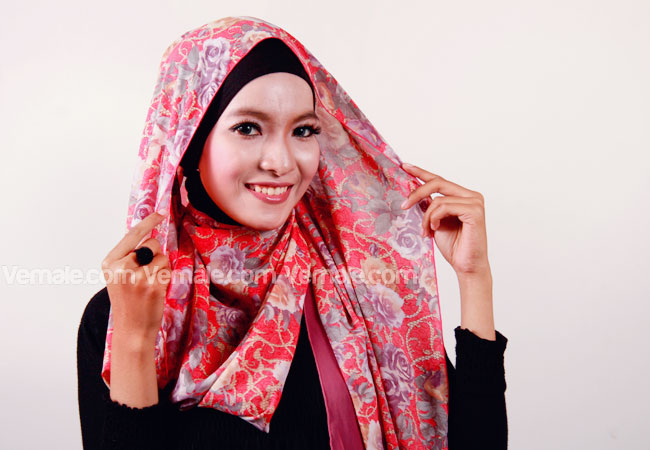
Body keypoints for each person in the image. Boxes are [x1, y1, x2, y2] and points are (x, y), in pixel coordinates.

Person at [77, 17, 508, 450]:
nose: (282, 162)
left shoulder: (356, 288)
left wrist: (475, 279)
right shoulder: (129, 311)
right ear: (190, 139)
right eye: (248, 128)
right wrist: (135, 340)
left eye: (303, 130)